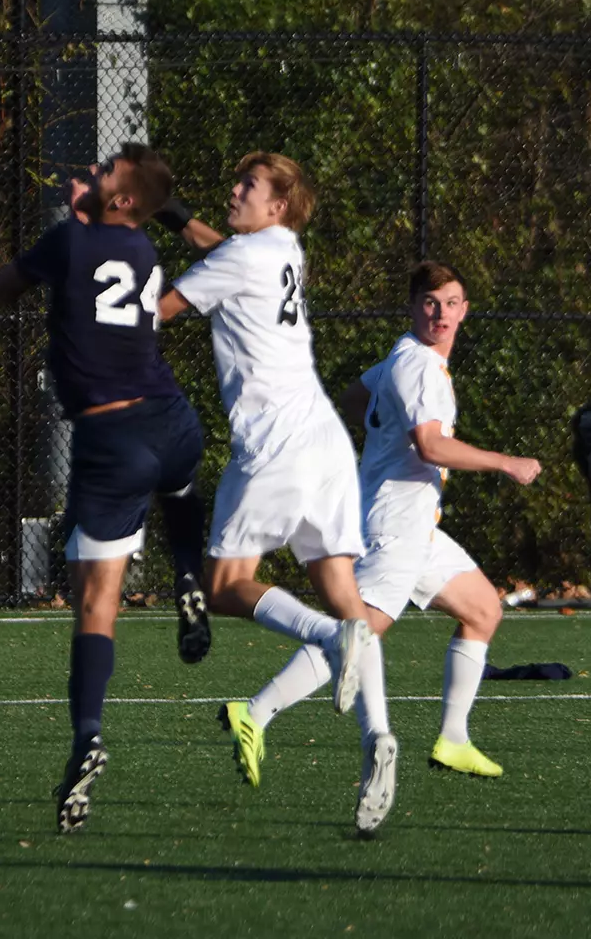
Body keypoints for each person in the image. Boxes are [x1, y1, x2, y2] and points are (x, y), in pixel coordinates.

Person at [226, 261, 541, 785]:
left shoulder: (402, 355)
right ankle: (254, 712)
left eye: (450, 303)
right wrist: (506, 463)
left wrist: (382, 442)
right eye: (430, 302)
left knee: (483, 608)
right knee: (359, 635)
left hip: (414, 525)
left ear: (464, 311)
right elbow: (431, 444)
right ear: (413, 305)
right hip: (395, 526)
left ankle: (453, 740)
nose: (440, 313)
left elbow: (356, 396)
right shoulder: (420, 367)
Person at [155, 152, 390, 835]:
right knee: (347, 596)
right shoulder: (281, 247)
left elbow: (158, 311)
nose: (234, 189)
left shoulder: (244, 257)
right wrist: (170, 212)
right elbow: (221, 248)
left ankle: (327, 638)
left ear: (277, 207)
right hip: (324, 441)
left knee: (225, 584)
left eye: (248, 186)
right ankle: (379, 740)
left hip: (277, 443)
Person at [0, 144, 216, 833]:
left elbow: (4, 286)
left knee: (95, 604)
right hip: (172, 419)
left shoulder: (71, 239)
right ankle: (187, 572)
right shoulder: (145, 249)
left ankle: (88, 733)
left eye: (104, 171)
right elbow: (223, 257)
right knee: (179, 484)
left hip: (110, 439)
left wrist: (30, 266)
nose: (88, 171)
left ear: (120, 200)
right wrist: (165, 207)